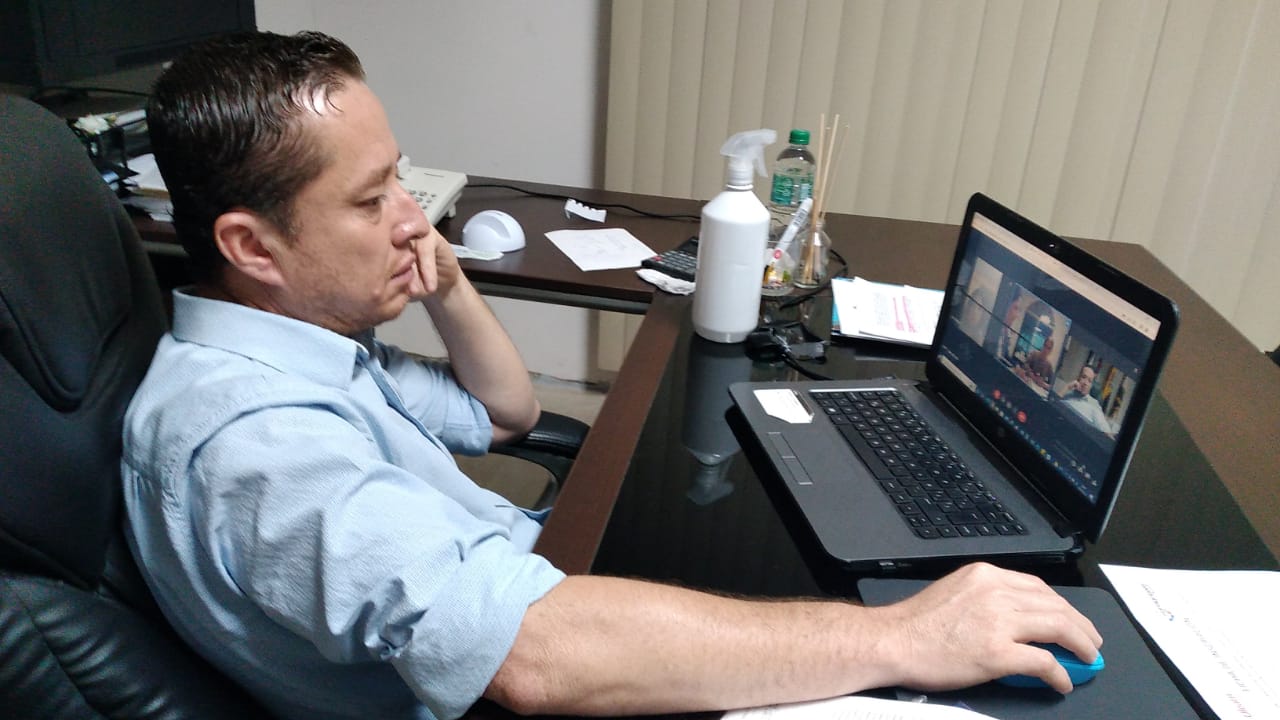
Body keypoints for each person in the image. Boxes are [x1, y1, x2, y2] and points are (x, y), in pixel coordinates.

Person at [122, 30, 1102, 720]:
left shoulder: (307, 340)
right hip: (531, 666)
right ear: (252, 246)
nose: (414, 220)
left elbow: (502, 414)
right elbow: (531, 657)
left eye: (402, 182)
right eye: (373, 199)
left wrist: (445, 281)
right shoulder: (257, 447)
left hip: (549, 580)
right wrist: (899, 638)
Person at [1059, 366, 1116, 437]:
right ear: (1078, 378)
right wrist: (1067, 387)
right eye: (1084, 377)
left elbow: (1106, 432)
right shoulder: (1067, 393)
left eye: (1089, 381)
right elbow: (1053, 403)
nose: (1085, 383)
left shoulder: (1094, 405)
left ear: (1091, 385)